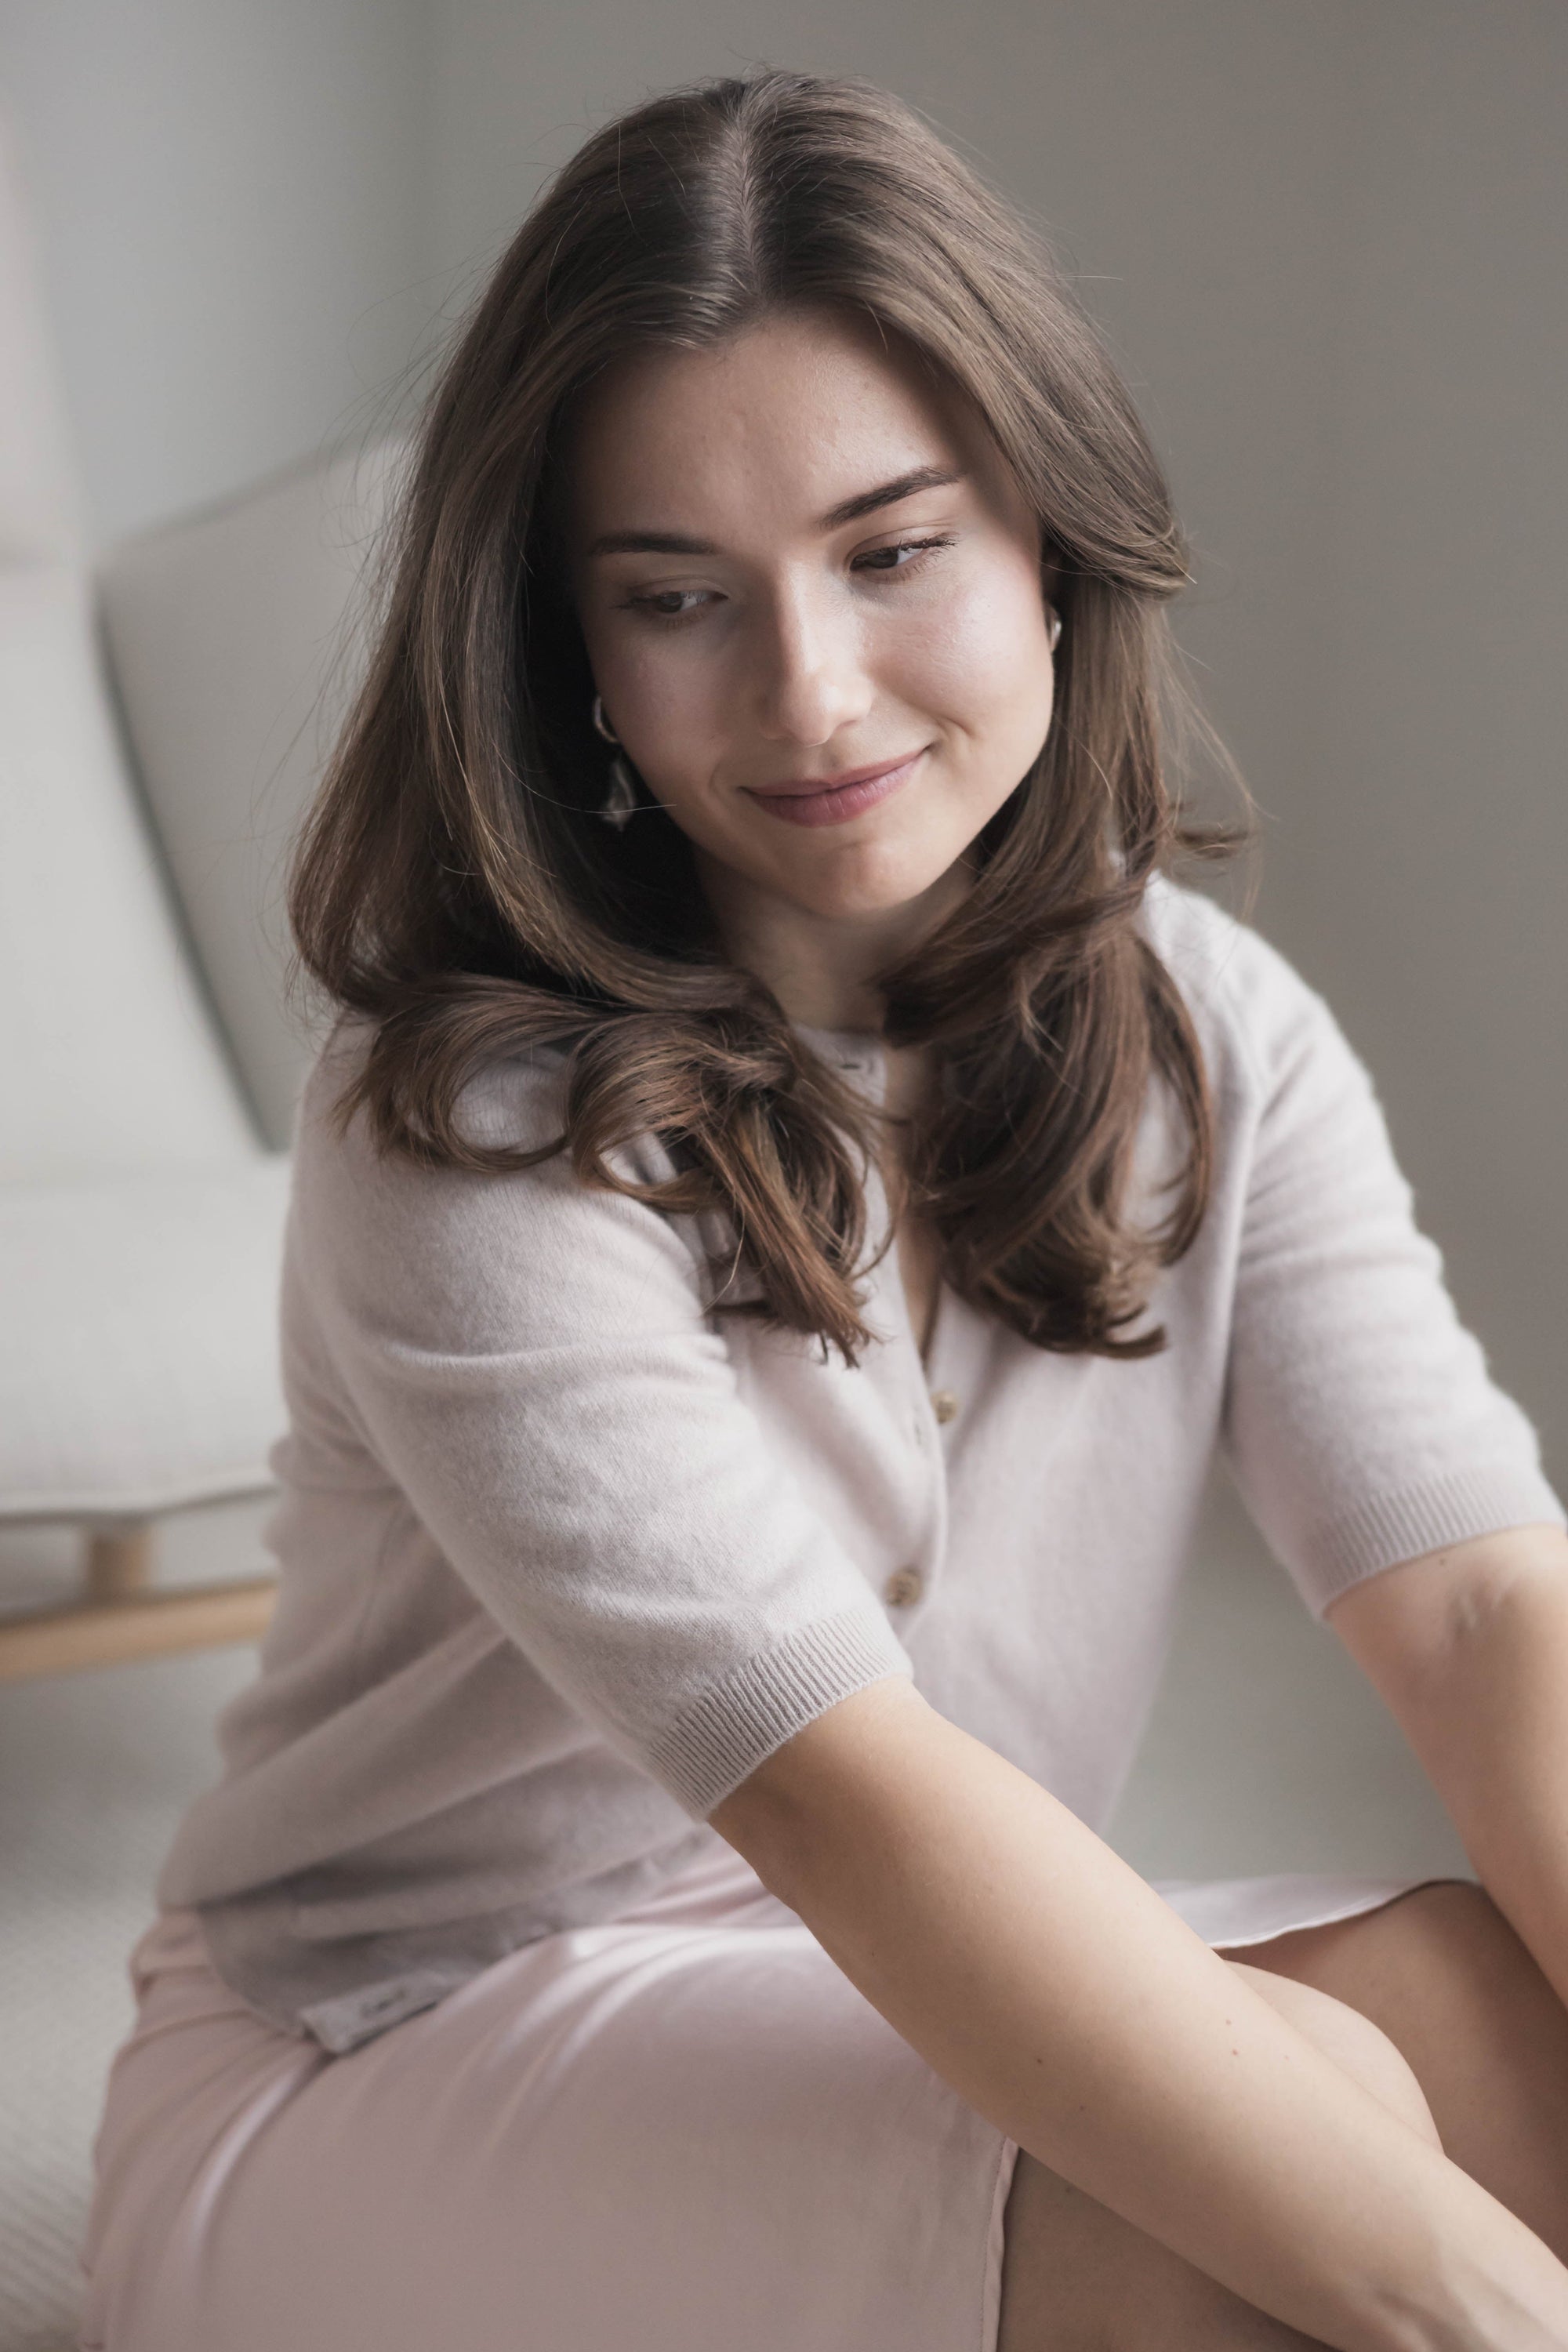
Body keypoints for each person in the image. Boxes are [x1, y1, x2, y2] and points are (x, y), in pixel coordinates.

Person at [81, 68, 1568, 2352]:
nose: (813, 694)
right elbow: (846, 1805)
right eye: (680, 599)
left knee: (1482, 2013)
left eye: (892, 553)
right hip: (392, 2041)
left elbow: (1479, 1610)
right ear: (573, 659)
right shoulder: (465, 1133)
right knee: (1287, 2184)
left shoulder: (1208, 1027)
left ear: (1048, 541)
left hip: (845, 1968)